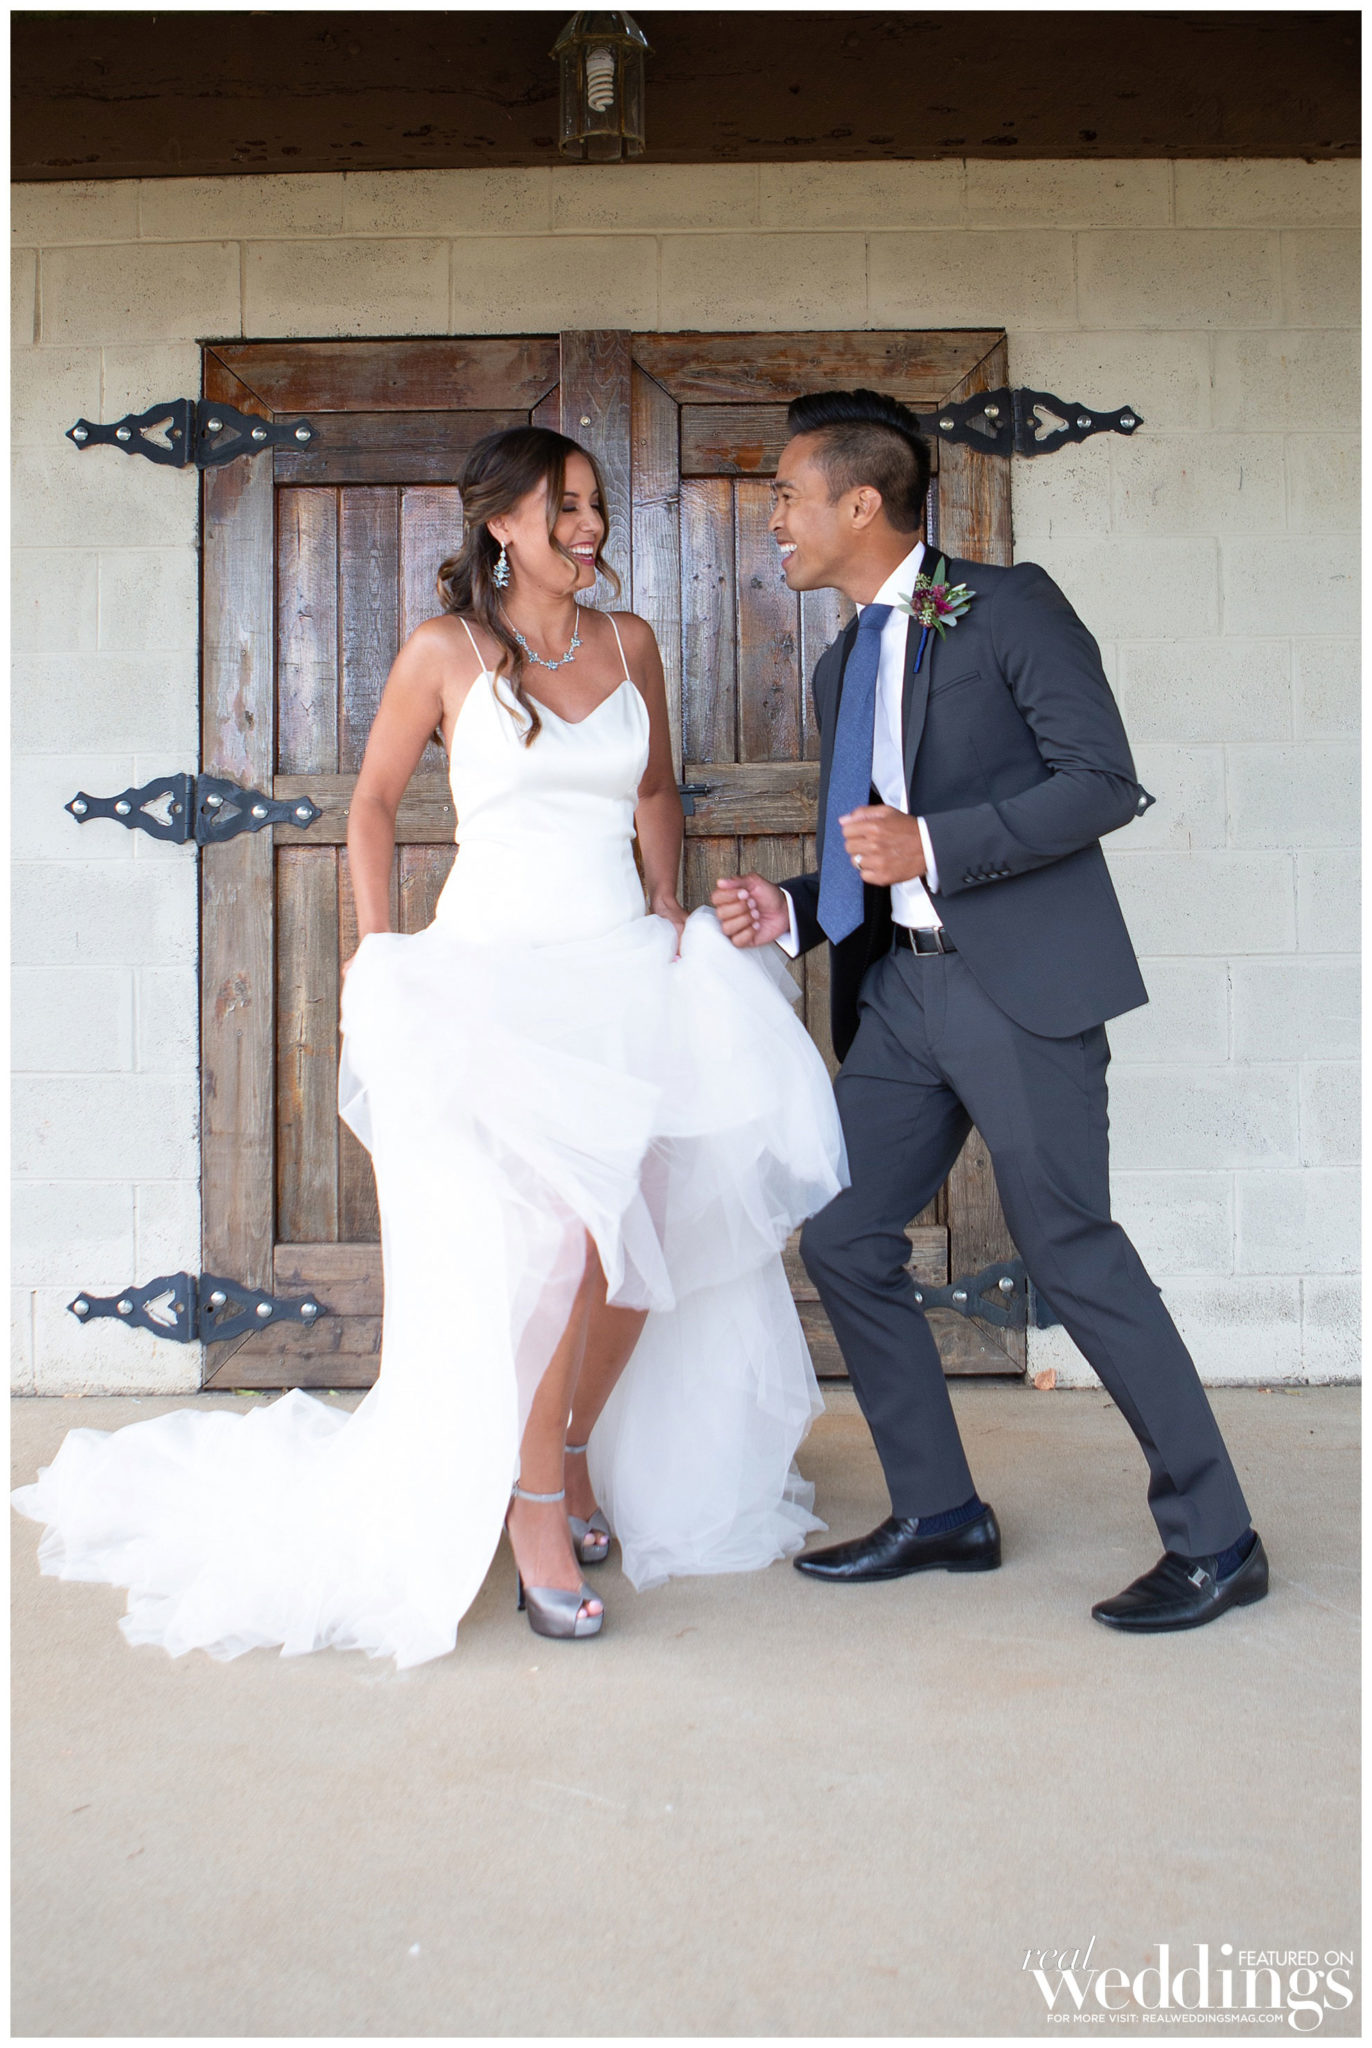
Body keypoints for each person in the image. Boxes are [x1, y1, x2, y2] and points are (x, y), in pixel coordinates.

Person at [12, 425, 846, 1667]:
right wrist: (375, 943)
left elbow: (654, 789)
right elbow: (368, 800)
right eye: (565, 506)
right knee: (558, 1239)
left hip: (622, 970)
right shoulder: (442, 650)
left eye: (596, 506)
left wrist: (668, 900)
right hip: (495, 980)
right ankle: (533, 1504)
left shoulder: (630, 643)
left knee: (646, 1227)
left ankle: (567, 1443)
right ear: (502, 521)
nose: (589, 527)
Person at [712, 387, 1268, 1634]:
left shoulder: (1008, 605)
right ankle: (940, 1512)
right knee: (843, 1234)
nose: (775, 522)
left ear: (862, 501)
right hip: (901, 996)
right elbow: (868, 849)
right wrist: (789, 909)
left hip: (1019, 989)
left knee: (1072, 1250)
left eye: (788, 498)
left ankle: (1218, 1539)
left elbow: (1102, 781)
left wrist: (938, 844)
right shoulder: (842, 663)